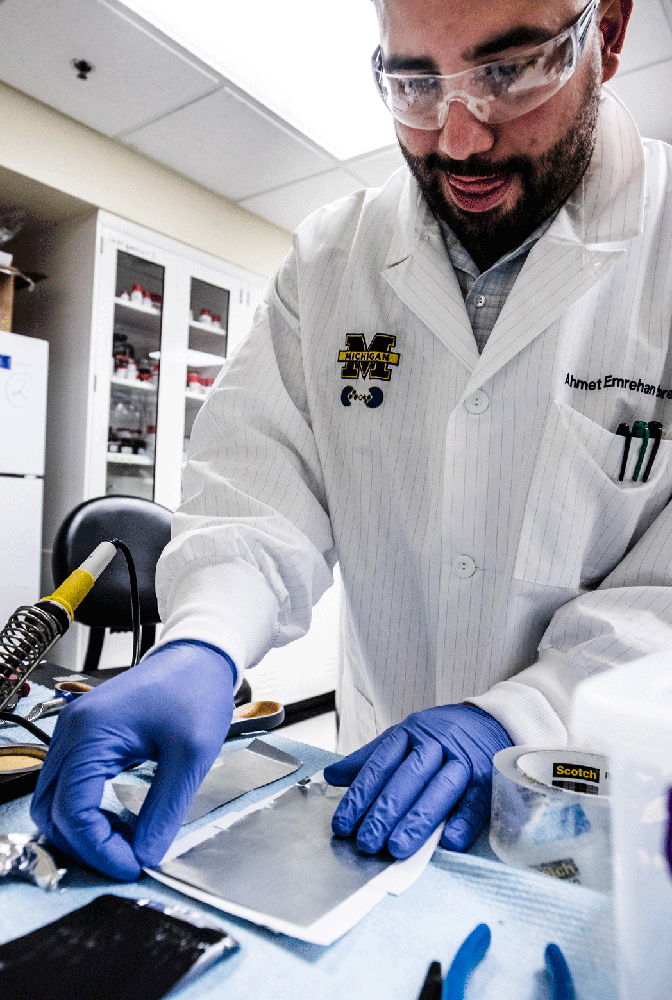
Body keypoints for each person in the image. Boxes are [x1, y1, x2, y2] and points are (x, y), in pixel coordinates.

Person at [34, 0, 664, 883]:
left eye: (508, 70)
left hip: (601, 817)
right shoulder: (332, 258)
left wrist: (521, 719)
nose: (458, 141)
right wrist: (202, 642)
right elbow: (257, 493)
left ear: (610, 30)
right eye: (412, 82)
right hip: (373, 801)